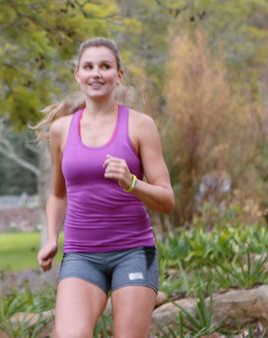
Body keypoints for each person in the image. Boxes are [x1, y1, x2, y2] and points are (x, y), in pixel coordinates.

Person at [35, 37, 175, 337]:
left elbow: (167, 200)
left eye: (105, 66)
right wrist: (50, 237)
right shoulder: (62, 130)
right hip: (81, 254)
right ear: (78, 74)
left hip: (133, 251)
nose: (96, 73)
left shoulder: (140, 126)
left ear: (118, 75)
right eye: (88, 66)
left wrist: (132, 183)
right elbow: (58, 194)